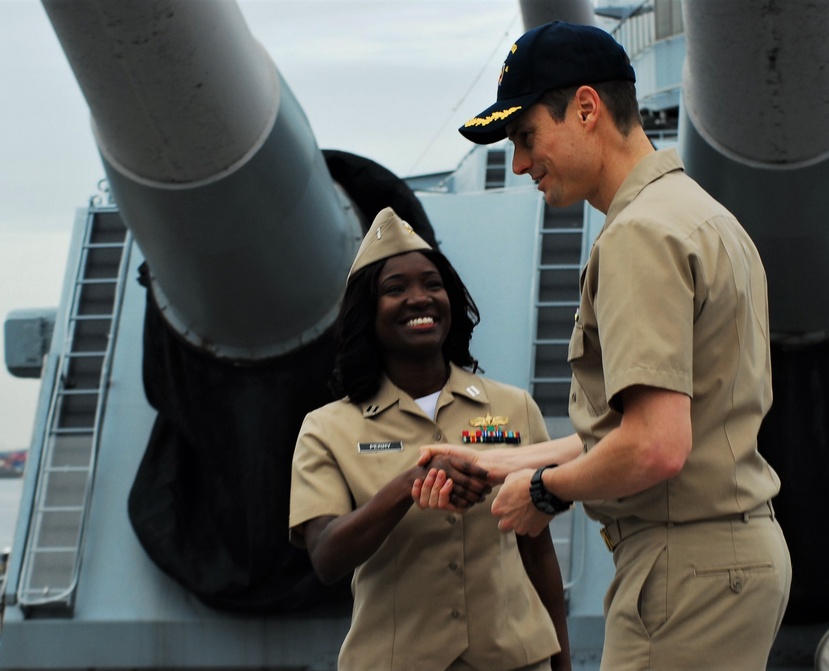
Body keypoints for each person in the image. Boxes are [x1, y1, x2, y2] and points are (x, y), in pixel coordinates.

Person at [413, 21, 792, 671]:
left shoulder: (639, 236)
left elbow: (655, 445)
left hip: (681, 573)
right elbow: (640, 430)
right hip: (726, 559)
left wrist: (543, 491)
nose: (521, 163)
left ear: (586, 108)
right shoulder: (702, 217)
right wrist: (502, 462)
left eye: (526, 136)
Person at [288, 206, 571, 671]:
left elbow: (535, 548)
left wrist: (563, 665)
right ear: (367, 313)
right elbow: (327, 556)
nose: (419, 298)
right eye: (395, 289)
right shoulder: (326, 430)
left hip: (516, 660)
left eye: (432, 285)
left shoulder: (514, 408)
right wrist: (407, 487)